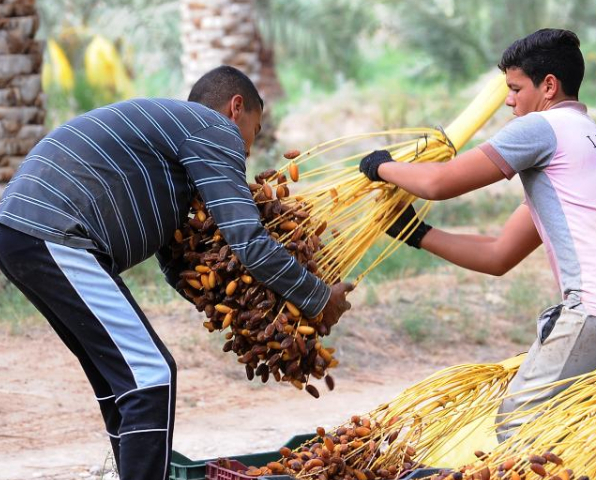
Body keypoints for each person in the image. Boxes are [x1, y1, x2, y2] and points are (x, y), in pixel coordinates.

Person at [359, 29, 596, 480]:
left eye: (515, 89)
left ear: (549, 87)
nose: (509, 102)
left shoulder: (542, 127)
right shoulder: (593, 147)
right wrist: (416, 234)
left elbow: (438, 184)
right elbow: (499, 255)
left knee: (521, 429)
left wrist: (381, 165)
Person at [0, 65, 353, 480]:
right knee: (151, 377)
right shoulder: (212, 128)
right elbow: (248, 240)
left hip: (23, 229)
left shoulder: (174, 147)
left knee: (123, 384)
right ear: (235, 108)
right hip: (56, 229)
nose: (246, 154)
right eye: (253, 134)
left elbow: (175, 261)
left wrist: (242, 312)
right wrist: (316, 297)